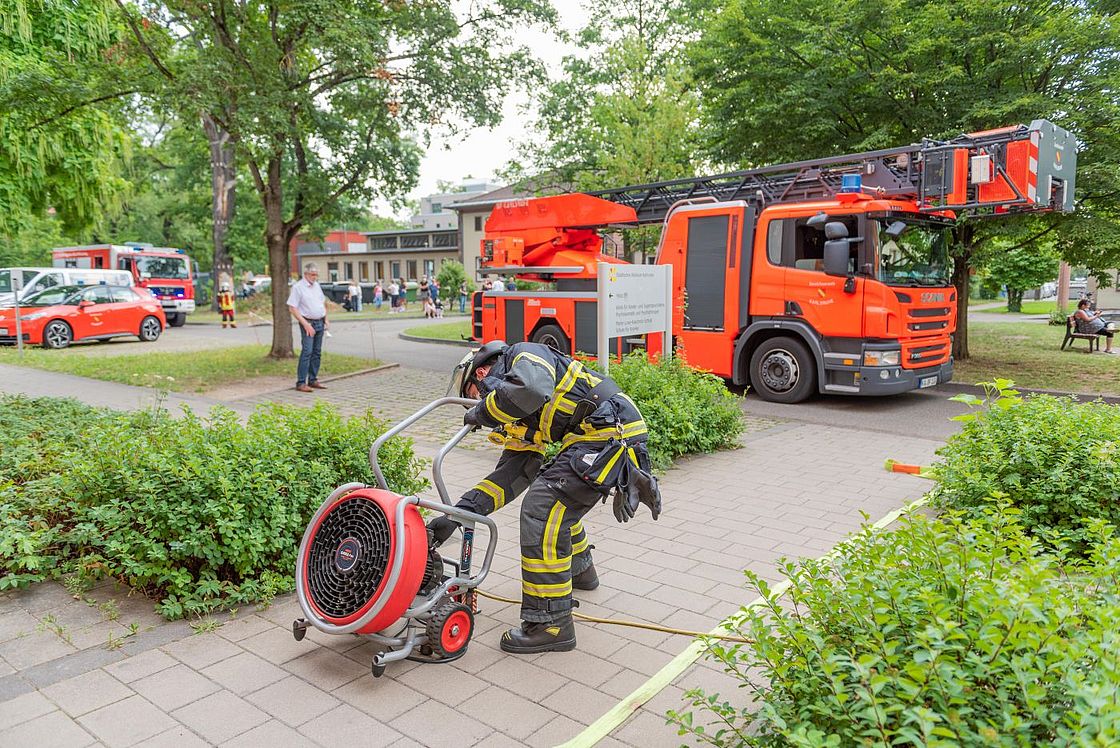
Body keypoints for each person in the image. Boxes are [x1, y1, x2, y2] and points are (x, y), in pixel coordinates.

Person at [428, 341, 662, 654]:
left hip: (608, 434)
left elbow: (531, 388)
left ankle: (550, 624)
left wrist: (483, 412)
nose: (479, 402)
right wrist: (454, 518)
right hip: (593, 437)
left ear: (482, 372)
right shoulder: (520, 412)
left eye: (475, 395)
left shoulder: (526, 356)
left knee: (542, 508)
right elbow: (510, 477)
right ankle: (580, 571)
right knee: (556, 499)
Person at [287, 262, 331, 391]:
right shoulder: (298, 287)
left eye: (316, 275)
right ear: (306, 274)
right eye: (312, 275)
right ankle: (301, 382)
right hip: (308, 322)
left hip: (319, 321)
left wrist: (326, 318)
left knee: (317, 353)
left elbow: (322, 303)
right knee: (307, 351)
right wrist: (305, 324)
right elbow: (292, 308)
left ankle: (313, 379)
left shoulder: (316, 286)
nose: (315, 277)